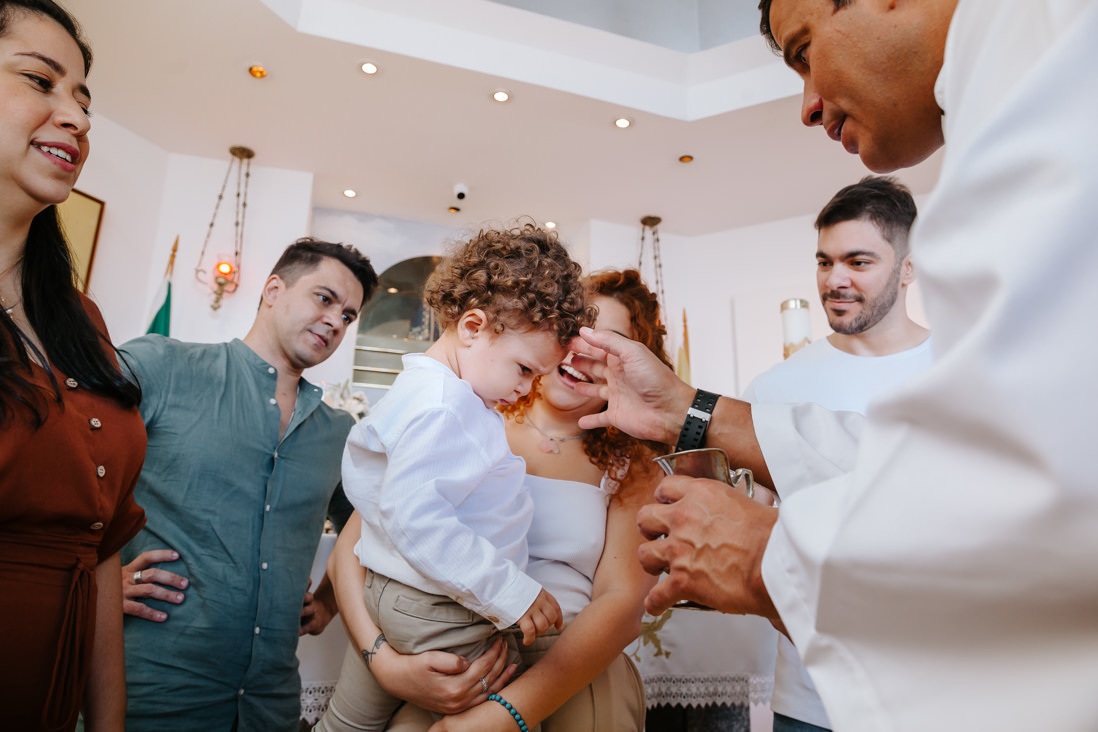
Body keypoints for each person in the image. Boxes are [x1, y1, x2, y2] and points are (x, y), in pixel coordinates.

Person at [571, 0, 1098, 729]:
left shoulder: (1049, 57)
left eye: (804, 49)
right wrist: (686, 410)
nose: (808, 105)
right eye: (825, 262)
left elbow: (1034, 482)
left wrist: (766, 561)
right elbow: (916, 464)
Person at [321, 267, 669, 732]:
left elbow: (623, 605)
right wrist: (382, 660)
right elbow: (359, 543)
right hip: (449, 642)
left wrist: (500, 715)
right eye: (579, 331)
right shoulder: (470, 411)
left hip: (566, 662)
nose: (585, 350)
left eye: (608, 343)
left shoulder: (633, 465)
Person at [118, 238, 378, 731]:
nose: (335, 321)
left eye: (348, 316)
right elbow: (62, 470)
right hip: (151, 692)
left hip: (269, 703)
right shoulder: (161, 367)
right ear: (274, 290)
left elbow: (367, 526)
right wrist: (91, 578)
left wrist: (328, 600)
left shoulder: (339, 432)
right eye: (324, 298)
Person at [741, 176, 932, 732]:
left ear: (909, 266)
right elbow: (749, 524)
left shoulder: (959, 372)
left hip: (937, 688)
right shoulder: (772, 389)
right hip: (812, 698)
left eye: (858, 261)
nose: (835, 279)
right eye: (824, 262)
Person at [0, 2, 144, 730]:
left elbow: (101, 550)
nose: (78, 119)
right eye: (41, 81)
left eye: (84, 100)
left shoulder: (81, 322)